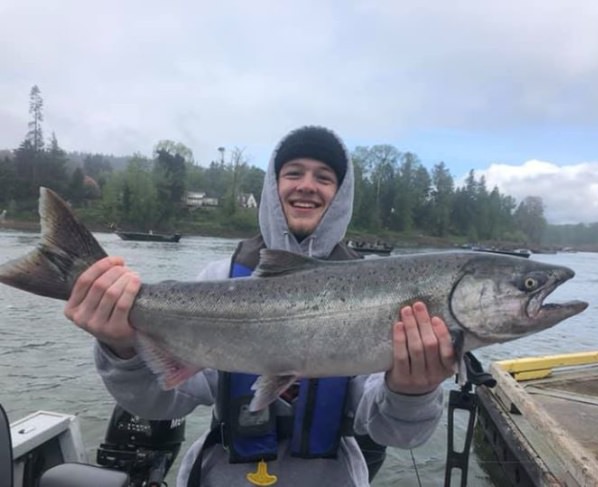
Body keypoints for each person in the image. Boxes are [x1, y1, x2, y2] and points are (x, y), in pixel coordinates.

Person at [64, 126, 456, 486]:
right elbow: (158, 402)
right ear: (273, 185)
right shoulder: (220, 278)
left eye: (324, 177)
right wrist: (122, 350)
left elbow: (398, 433)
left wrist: (413, 392)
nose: (308, 186)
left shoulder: (380, 293)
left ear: (340, 195)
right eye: (294, 173)